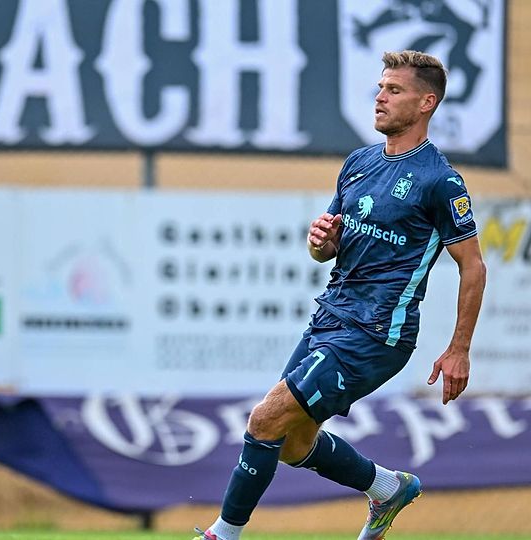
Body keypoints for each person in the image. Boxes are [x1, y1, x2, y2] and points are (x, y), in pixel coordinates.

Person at [194, 50, 486, 540]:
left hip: (376, 333)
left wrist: (459, 349)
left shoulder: (440, 180)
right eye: (380, 87)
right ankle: (386, 488)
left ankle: (222, 535)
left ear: (426, 103)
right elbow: (327, 250)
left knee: (264, 420)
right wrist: (321, 242)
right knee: (291, 443)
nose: (380, 97)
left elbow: (473, 266)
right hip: (331, 317)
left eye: (394, 90)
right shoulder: (358, 163)